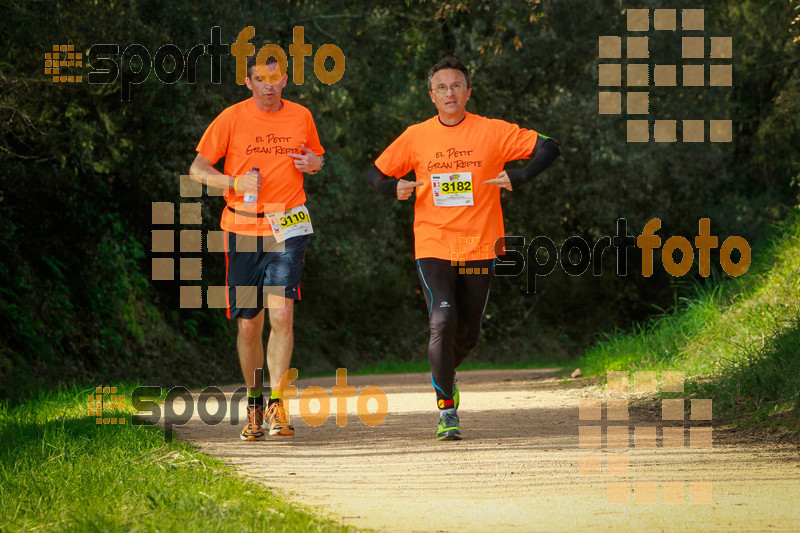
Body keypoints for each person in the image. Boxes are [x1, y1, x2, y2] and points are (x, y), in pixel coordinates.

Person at [365, 57, 560, 440]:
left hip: (480, 245)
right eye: (442, 87)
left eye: (456, 86)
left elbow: (550, 147)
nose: (449, 92)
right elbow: (375, 172)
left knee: (468, 335)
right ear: (432, 96)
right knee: (441, 321)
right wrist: (393, 188)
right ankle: (446, 410)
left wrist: (519, 176)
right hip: (434, 244)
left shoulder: (492, 132)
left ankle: (445, 374)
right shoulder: (416, 136)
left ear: (468, 92)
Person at [189, 53, 325, 441]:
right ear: (248, 83)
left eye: (275, 78)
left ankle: (277, 403)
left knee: (282, 315)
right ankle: (253, 404)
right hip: (242, 228)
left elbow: (317, 160)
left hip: (289, 225)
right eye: (260, 79)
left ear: (285, 79)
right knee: (250, 324)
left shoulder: (302, 116)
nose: (268, 85)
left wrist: (314, 163)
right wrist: (233, 183)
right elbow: (198, 170)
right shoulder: (231, 117)